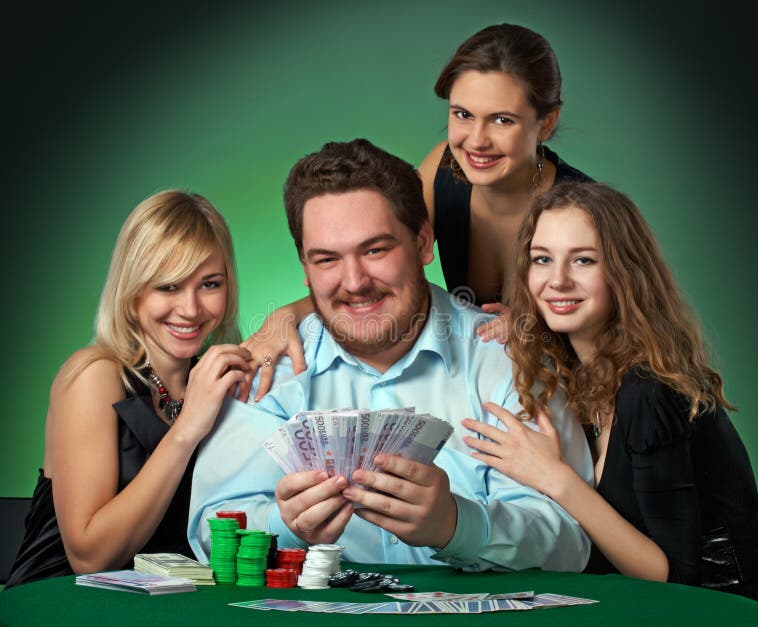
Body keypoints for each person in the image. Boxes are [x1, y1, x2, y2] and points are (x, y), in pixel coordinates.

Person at [188, 138, 593, 572]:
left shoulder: (507, 359)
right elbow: (210, 531)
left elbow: (571, 540)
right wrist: (284, 526)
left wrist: (458, 525)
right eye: (326, 259)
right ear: (305, 268)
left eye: (375, 250)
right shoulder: (271, 372)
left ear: (422, 243)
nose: (355, 281)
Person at [461, 182, 758, 625]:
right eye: (542, 259)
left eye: (584, 260)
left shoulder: (649, 389)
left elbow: (672, 575)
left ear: (625, 272)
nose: (557, 279)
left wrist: (555, 478)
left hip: (724, 616)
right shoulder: (579, 378)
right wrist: (522, 325)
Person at [241, 23, 592, 402]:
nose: (476, 140)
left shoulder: (583, 210)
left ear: (546, 123)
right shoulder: (443, 168)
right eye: (462, 115)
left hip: (584, 396)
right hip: (502, 382)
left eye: (502, 120)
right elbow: (377, 255)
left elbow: (624, 336)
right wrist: (288, 315)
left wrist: (545, 329)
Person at [5, 191, 251, 588]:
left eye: (209, 284)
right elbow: (90, 556)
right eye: (168, 287)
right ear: (132, 290)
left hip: (165, 606)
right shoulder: (92, 376)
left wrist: (290, 316)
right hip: (62, 603)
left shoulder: (211, 377)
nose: (190, 309)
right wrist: (186, 430)